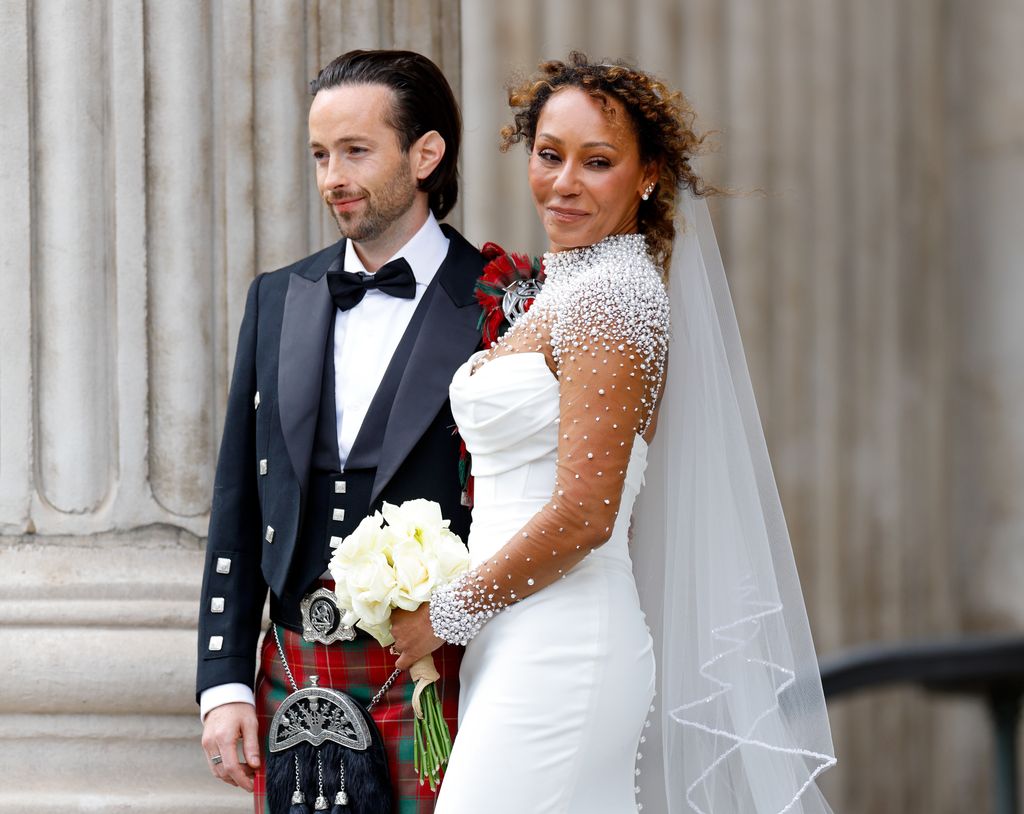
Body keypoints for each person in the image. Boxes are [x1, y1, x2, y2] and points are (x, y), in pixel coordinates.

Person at [390, 53, 837, 812]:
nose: (564, 183)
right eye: (549, 155)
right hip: (519, 636)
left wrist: (445, 615)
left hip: (560, 647)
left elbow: (586, 514)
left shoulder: (612, 299)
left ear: (648, 175)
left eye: (596, 162)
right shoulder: (575, 287)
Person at [196, 49, 485, 813]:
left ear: (426, 154)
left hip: (430, 674)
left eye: (356, 151)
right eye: (321, 155)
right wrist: (223, 681)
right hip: (293, 669)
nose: (332, 178)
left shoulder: (496, 299)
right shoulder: (277, 296)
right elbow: (237, 495)